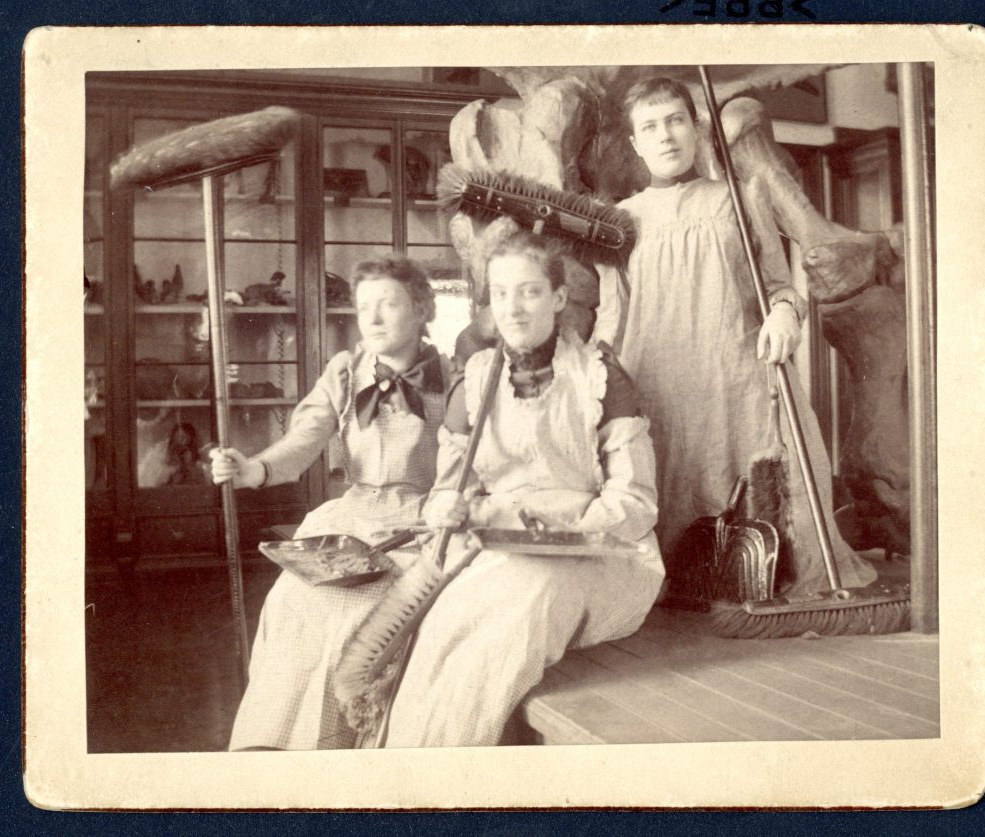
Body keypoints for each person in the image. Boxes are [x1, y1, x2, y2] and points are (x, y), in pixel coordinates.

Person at [594, 77, 876, 596]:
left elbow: (777, 285)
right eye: (650, 127)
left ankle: (757, 575)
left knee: (767, 475)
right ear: (635, 143)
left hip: (736, 368)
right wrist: (600, 375)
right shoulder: (622, 219)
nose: (666, 136)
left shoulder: (740, 198)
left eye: (676, 120)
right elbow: (614, 314)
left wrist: (786, 314)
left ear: (695, 127)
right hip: (659, 380)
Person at [382, 231, 664, 748]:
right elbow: (450, 489)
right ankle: (414, 773)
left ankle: (454, 774)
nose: (514, 308)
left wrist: (560, 527)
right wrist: (449, 506)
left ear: (558, 299)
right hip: (496, 552)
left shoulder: (602, 378)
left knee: (525, 596)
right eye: (502, 292)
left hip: (602, 559)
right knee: (448, 620)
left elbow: (636, 504)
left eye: (531, 291)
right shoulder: (475, 379)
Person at [210, 256, 453, 750]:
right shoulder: (346, 371)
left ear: (423, 308)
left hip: (422, 525)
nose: (375, 319)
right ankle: (271, 744)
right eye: (365, 308)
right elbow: (304, 439)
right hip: (353, 517)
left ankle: (350, 749)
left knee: (361, 616)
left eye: (389, 304)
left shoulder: (456, 378)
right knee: (294, 602)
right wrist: (252, 469)